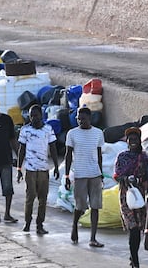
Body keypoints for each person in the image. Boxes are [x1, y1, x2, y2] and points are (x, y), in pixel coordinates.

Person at [65, 106, 105, 247]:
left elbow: (99, 154)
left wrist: (101, 174)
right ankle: (74, 225)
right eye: (78, 118)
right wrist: (66, 175)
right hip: (80, 175)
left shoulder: (98, 133)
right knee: (80, 206)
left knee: (95, 206)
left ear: (90, 118)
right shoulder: (72, 134)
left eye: (83, 118)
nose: (81, 121)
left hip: (95, 175)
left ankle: (93, 238)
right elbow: (68, 155)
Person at [17, 104, 59, 234]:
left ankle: (39, 224)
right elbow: (21, 150)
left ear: (41, 115)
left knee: (43, 199)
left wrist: (56, 166)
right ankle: (27, 222)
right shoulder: (25, 130)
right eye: (31, 116)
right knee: (30, 198)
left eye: (36, 115)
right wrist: (19, 168)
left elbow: (53, 148)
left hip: (43, 169)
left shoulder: (48, 129)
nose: (34, 118)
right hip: (30, 170)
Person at [113, 127, 148, 268]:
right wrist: (126, 178)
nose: (133, 141)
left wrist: (140, 180)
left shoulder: (145, 158)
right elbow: (116, 175)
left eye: (136, 139)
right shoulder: (122, 156)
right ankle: (135, 261)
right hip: (126, 196)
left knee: (139, 228)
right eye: (130, 139)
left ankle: (132, 255)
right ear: (127, 141)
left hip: (141, 197)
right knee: (132, 227)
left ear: (140, 141)